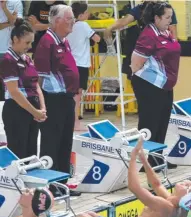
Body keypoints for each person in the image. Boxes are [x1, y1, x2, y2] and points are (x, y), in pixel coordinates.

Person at [130, 1, 180, 169]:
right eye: (167, 17)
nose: (170, 20)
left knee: (162, 122)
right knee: (150, 123)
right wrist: (150, 77)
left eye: (171, 17)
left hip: (164, 86)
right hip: (149, 86)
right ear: (156, 18)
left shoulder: (165, 32)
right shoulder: (148, 35)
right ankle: (145, 161)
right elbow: (135, 64)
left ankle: (156, 158)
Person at [34, 5, 79, 187]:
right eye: (69, 19)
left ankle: (62, 183)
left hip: (66, 99)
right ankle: (51, 184)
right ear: (57, 21)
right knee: (52, 142)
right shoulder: (47, 42)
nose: (73, 22)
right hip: (53, 100)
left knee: (65, 141)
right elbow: (39, 79)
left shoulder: (63, 41)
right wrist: (42, 106)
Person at [0, 19, 47, 159]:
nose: (30, 46)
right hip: (17, 110)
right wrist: (35, 111)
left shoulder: (27, 58)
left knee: (31, 154)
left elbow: (36, 84)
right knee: (18, 155)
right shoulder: (8, 60)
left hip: (33, 111)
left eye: (31, 42)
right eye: (27, 42)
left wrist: (42, 109)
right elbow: (14, 91)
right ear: (15, 39)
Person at [104, 0, 178, 79]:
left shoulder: (166, 9)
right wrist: (110, 28)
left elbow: (173, 32)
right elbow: (124, 21)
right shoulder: (140, 8)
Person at [66, 2, 100, 131]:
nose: (88, 14)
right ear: (80, 15)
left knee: (69, 94)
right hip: (80, 64)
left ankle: (71, 121)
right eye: (86, 12)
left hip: (69, 63)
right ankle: (75, 123)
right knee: (77, 96)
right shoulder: (83, 25)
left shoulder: (68, 25)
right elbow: (97, 38)